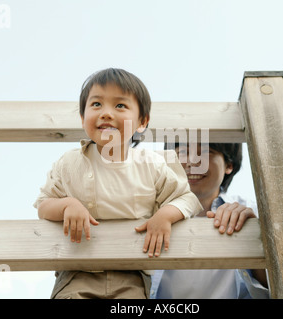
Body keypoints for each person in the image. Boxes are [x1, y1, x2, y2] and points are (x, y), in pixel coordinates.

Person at [34, 68, 202, 299]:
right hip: (76, 272)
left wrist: (165, 215)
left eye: (120, 106)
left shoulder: (152, 163)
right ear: (83, 118)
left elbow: (186, 198)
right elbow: (44, 205)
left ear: (142, 122)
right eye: (96, 105)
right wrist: (67, 205)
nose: (106, 113)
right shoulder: (70, 162)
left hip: (132, 273)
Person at [150, 142, 270, 299]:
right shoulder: (147, 212)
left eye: (207, 152)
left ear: (229, 165)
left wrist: (255, 238)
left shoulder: (252, 212)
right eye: (183, 152)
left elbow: (279, 286)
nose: (193, 161)